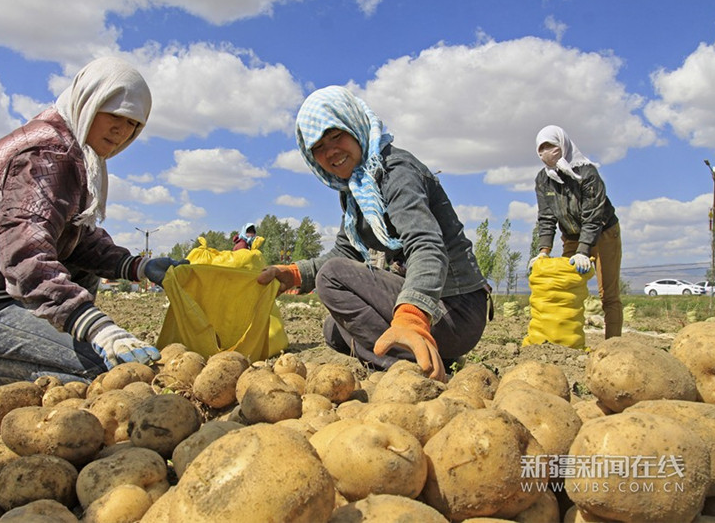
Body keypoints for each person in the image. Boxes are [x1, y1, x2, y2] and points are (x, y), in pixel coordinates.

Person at [0, 57, 186, 388]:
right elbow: (25, 258)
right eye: (115, 116)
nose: (123, 131)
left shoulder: (74, 149)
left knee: (86, 278)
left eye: (134, 124)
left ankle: (25, 346)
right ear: (88, 103)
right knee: (102, 374)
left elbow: (76, 235)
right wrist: (94, 327)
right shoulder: (49, 156)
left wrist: (136, 266)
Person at [258, 86, 490, 381]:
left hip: (454, 309)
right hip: (442, 315)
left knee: (331, 278)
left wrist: (412, 318)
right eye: (318, 147)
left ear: (354, 125)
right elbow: (345, 253)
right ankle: (435, 356)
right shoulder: (358, 186)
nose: (330, 152)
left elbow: (426, 245)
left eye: (335, 136)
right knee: (335, 331)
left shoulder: (394, 171)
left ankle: (411, 372)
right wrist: (292, 274)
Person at [528, 125, 622, 339]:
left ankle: (614, 344)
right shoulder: (543, 180)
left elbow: (593, 216)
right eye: (541, 148)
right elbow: (547, 217)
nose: (546, 152)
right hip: (571, 236)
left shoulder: (587, 174)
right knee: (566, 287)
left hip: (604, 231)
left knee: (608, 294)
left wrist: (584, 250)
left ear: (563, 144)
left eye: (550, 145)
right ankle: (563, 340)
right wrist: (543, 250)